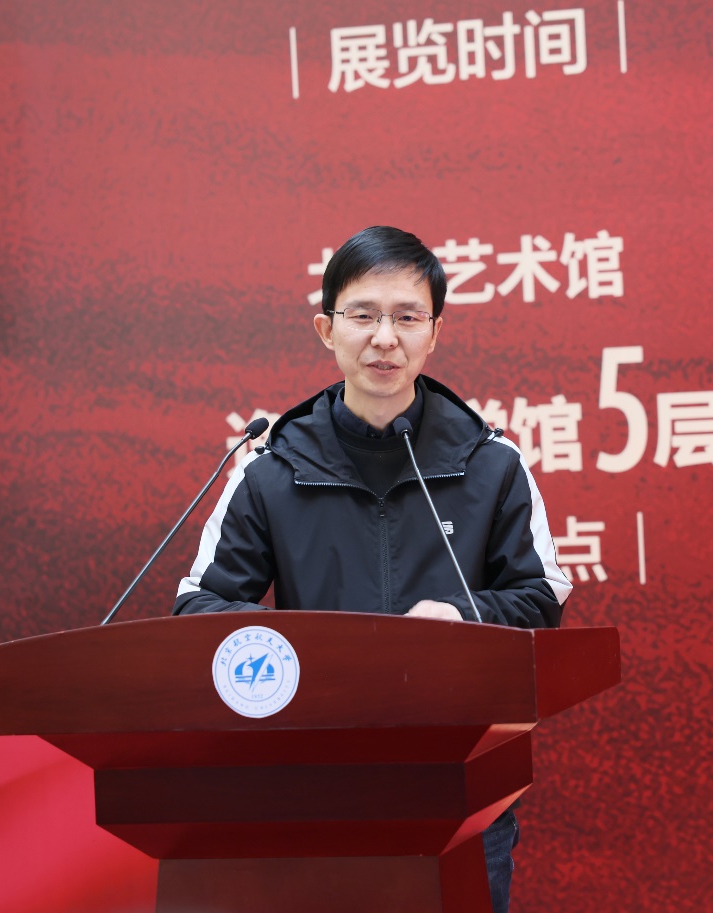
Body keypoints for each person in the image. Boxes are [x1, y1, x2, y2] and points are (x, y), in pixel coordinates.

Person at [175, 225, 571, 912]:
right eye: (363, 315)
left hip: (459, 790)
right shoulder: (270, 469)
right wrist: (303, 649)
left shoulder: (492, 464)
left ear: (434, 333)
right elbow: (198, 606)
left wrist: (461, 615)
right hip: (311, 789)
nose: (384, 338)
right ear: (326, 328)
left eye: (407, 318)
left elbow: (542, 596)